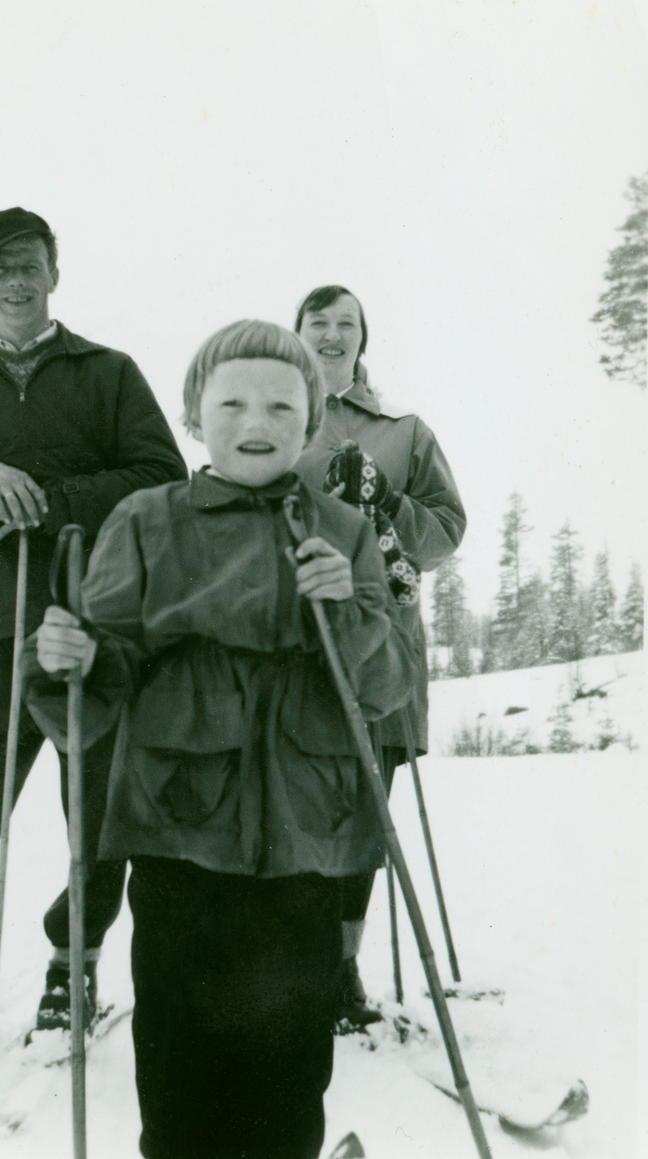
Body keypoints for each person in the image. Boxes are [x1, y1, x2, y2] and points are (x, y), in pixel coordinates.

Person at [24, 320, 418, 1159]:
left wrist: (345, 607)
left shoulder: (342, 529)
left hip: (306, 838)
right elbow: (100, 681)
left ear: (311, 419)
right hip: (177, 829)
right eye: (232, 399)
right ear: (195, 415)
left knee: (286, 1073)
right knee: (178, 1071)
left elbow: (382, 690)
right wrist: (73, 658)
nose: (257, 418)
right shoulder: (144, 518)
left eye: (282, 402)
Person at [0, 207, 187, 1036]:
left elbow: (163, 473)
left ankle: (72, 970)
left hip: (98, 623)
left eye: (30, 264)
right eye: (0, 267)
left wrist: (47, 501)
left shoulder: (107, 371)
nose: (16, 280)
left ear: (56, 272)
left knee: (95, 809)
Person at [293, 285, 466, 1027]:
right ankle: (285, 964)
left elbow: (444, 533)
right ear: (294, 332)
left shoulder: (403, 431)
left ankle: (337, 972)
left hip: (378, 640)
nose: (331, 337)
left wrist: (386, 500)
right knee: (290, 802)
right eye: (317, 324)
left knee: (364, 808)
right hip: (286, 637)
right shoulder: (271, 414)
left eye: (345, 325)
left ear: (363, 339)